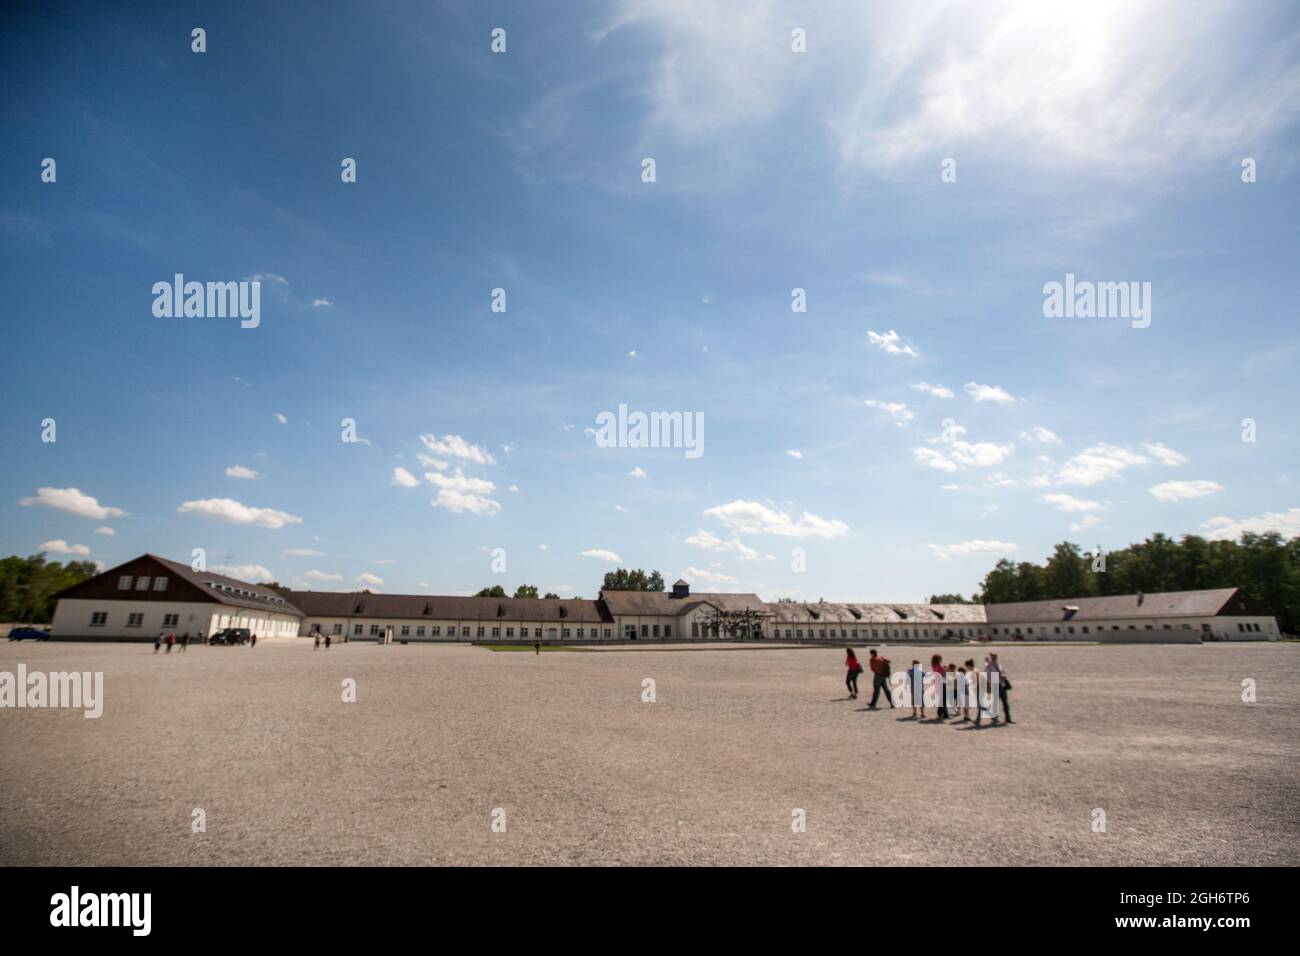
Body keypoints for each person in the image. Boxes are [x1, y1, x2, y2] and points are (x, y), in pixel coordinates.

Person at [987, 653, 1013, 725]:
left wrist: (1003, 676)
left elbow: (1003, 672)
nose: (995, 658)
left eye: (995, 657)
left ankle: (1008, 718)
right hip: (995, 685)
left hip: (1002, 685)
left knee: (1005, 703)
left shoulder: (999, 664)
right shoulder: (989, 666)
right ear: (991, 657)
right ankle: (995, 719)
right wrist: (1000, 676)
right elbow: (991, 675)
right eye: (993, 657)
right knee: (995, 703)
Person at [931, 654, 948, 719]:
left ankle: (943, 713)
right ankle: (942, 713)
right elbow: (943, 674)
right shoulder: (939, 666)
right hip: (942, 683)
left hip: (937, 683)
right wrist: (945, 669)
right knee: (943, 699)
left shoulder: (934, 666)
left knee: (941, 699)